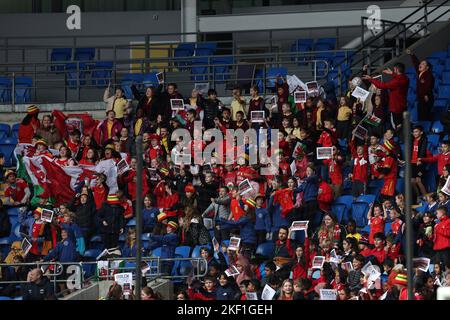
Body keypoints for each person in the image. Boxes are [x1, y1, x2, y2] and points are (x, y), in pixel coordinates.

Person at [363, 63, 409, 132]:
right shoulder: (405, 78)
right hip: (402, 105)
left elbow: (382, 86)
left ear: (396, 69)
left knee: (396, 126)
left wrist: (371, 79)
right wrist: (392, 74)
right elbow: (399, 78)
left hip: (394, 108)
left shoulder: (390, 86)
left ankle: (398, 137)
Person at [406, 49, 435, 121]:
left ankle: (426, 130)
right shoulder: (420, 73)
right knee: (421, 116)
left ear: (427, 67)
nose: (420, 64)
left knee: (425, 116)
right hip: (421, 99)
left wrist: (425, 94)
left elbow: (428, 86)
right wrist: (412, 55)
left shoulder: (428, 75)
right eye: (421, 63)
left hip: (427, 98)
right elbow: (416, 63)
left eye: (423, 64)